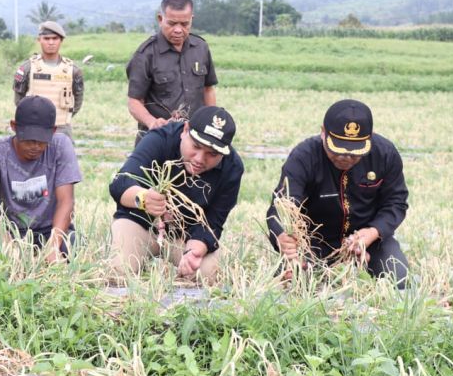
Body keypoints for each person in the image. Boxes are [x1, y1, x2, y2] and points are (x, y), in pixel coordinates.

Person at [267, 99, 409, 288]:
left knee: (398, 278)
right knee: (295, 283)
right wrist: (283, 237)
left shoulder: (385, 154)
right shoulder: (304, 156)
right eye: (338, 149)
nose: (346, 157)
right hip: (314, 243)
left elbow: (396, 203)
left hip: (369, 241)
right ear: (323, 132)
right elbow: (282, 206)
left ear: (369, 138)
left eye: (355, 152)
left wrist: (372, 233)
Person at [109, 106, 243, 282]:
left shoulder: (232, 167)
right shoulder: (160, 139)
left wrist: (195, 250)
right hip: (141, 224)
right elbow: (120, 183)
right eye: (196, 146)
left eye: (212, 154)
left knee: (209, 274)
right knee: (119, 271)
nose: (199, 159)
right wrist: (143, 199)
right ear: (185, 130)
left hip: (183, 236)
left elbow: (213, 223)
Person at [0, 96, 82, 261]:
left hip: (47, 230)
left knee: (75, 244)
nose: (35, 147)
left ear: (53, 131)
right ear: (14, 127)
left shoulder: (61, 146)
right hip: (9, 230)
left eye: (41, 141)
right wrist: (6, 244)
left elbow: (66, 201)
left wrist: (53, 245)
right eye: (29, 140)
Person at [126, 0, 217, 144]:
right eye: (172, 23)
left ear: (191, 20)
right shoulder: (145, 54)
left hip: (195, 140)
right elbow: (134, 101)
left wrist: (211, 122)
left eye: (184, 24)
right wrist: (152, 122)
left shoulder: (201, 48)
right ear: (160, 19)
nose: (178, 30)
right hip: (157, 140)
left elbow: (208, 89)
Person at [13, 21, 84, 139]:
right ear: (39, 40)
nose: (51, 42)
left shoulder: (73, 70)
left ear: (61, 40)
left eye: (55, 38)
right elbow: (18, 100)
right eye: (46, 38)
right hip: (33, 128)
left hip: (62, 129)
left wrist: (63, 116)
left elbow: (78, 100)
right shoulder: (27, 68)